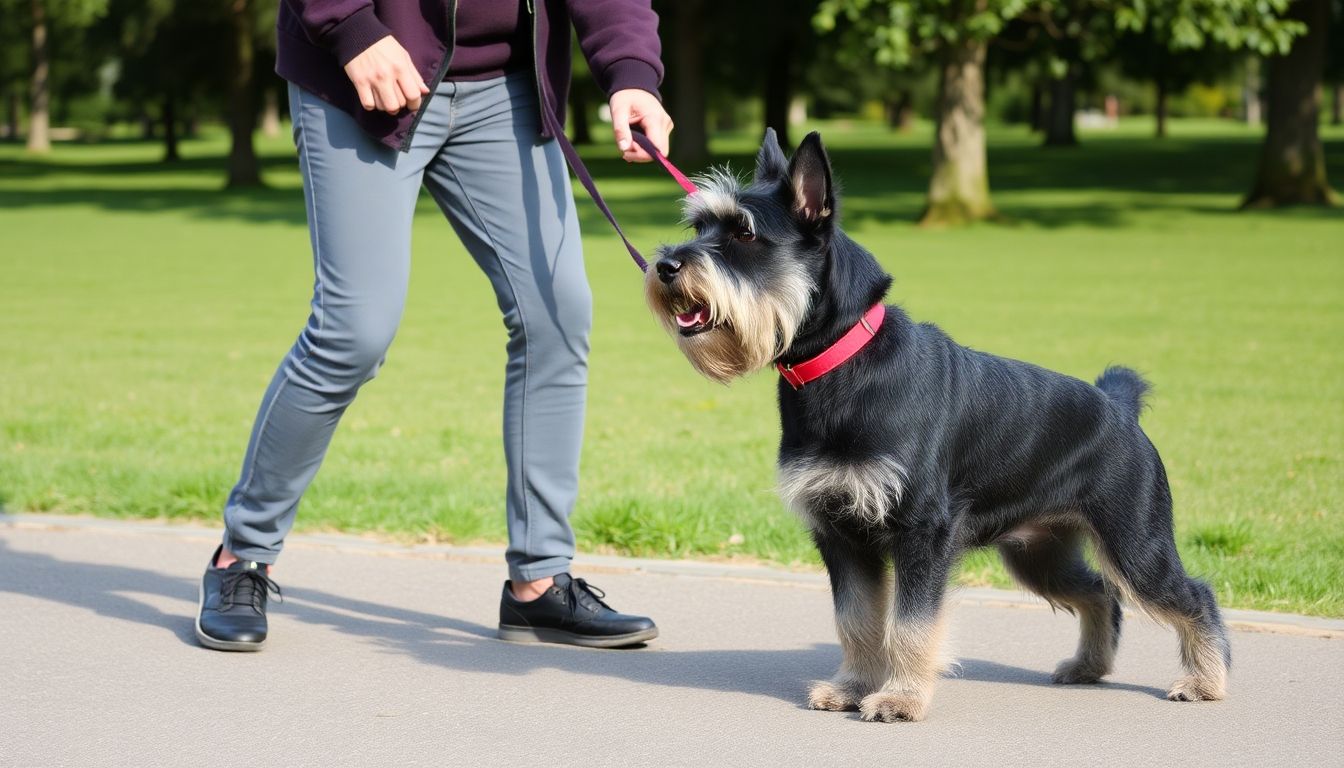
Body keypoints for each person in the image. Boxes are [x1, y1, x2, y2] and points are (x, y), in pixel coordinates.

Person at [195, 0, 672, 652]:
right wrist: (350, 27)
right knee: (354, 329)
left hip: (505, 88)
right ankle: (242, 556)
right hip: (360, 73)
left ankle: (539, 582)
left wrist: (632, 71)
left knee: (557, 316)